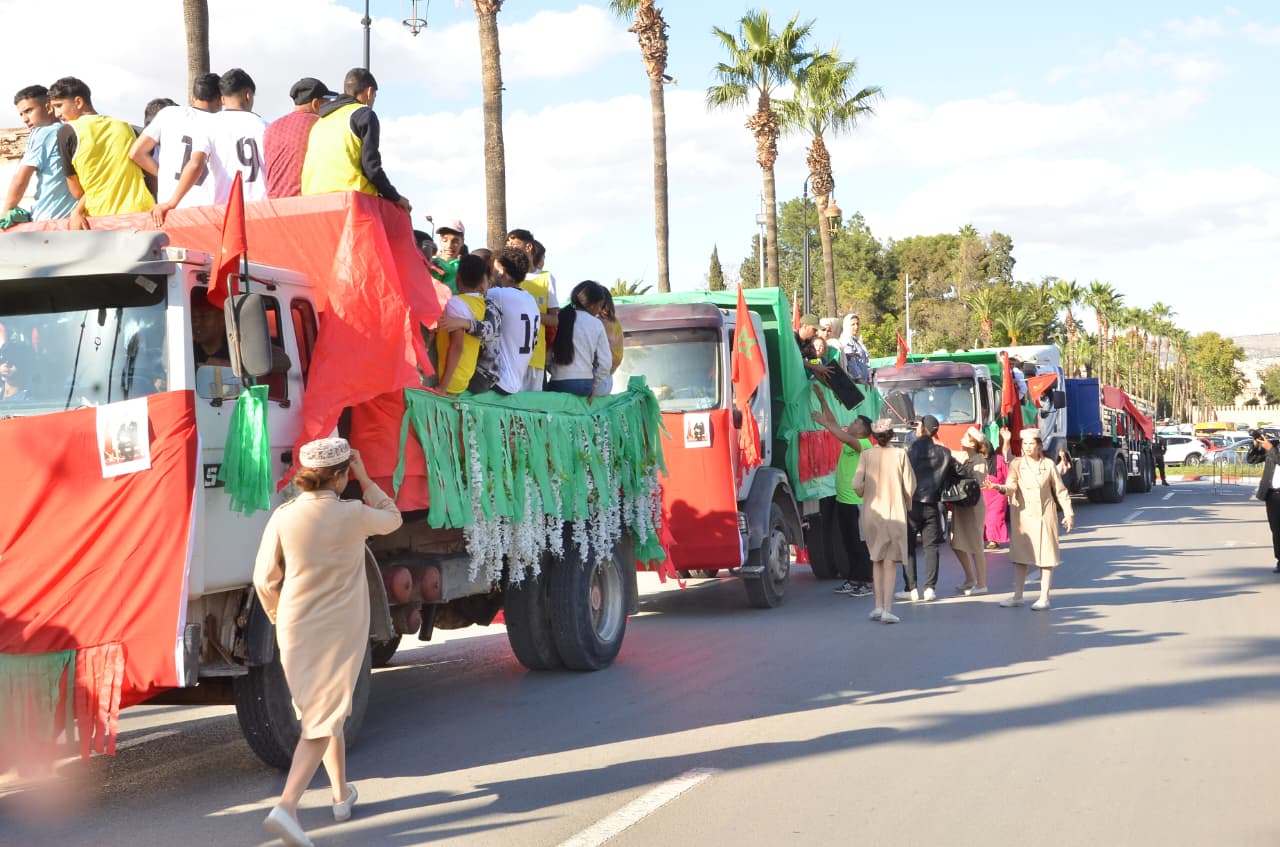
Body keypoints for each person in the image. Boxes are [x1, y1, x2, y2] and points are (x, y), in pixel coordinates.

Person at [253, 439, 402, 847]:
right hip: (340, 631)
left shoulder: (283, 516)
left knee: (320, 712)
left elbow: (264, 579)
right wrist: (367, 478)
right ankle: (286, 806)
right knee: (321, 720)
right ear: (339, 476)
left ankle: (340, 796)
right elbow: (393, 519)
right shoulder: (352, 513)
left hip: (293, 627)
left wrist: (277, 617)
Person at [984, 430, 1075, 610]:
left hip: (1045, 516)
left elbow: (1061, 491)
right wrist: (998, 487)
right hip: (1023, 517)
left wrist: (1068, 513)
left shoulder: (1048, 465)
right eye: (1024, 444)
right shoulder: (1017, 465)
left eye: (1031, 443)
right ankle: (1018, 596)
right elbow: (1011, 486)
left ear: (1039, 445)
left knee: (1046, 558)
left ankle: (1044, 597)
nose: (1027, 447)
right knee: (1020, 558)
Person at [300, 67, 410, 215]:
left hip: (315, 204)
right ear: (369, 92)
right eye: (374, 97)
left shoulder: (321, 121)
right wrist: (397, 198)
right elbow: (372, 169)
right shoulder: (363, 114)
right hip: (352, 203)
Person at [47, 76, 153, 227]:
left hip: (102, 219)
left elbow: (76, 192)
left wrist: (77, 210)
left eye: (59, 105)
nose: (57, 114)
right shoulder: (127, 128)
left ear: (78, 102)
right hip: (142, 214)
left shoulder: (68, 131)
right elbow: (149, 176)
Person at [436, 246, 541, 397]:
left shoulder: (496, 295)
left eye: (493, 269)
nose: (491, 275)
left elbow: (487, 326)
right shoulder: (530, 298)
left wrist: (463, 322)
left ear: (502, 271)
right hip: (517, 379)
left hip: (495, 378)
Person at [129, 73, 222, 222]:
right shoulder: (222, 123)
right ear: (220, 100)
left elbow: (136, 153)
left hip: (168, 212)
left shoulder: (168, 113)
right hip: (207, 213)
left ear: (193, 98)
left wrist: (164, 174)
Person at [853, 418, 916, 624]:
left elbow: (856, 484)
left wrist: (865, 493)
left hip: (872, 513)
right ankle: (888, 609)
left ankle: (878, 606)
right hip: (894, 512)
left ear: (873, 436)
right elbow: (910, 486)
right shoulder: (900, 454)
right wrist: (906, 502)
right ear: (891, 435)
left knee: (876, 558)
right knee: (890, 561)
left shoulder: (866, 455)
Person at [811, 398, 874, 597]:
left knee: (858, 543)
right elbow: (836, 426)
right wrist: (822, 399)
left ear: (863, 430)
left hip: (856, 502)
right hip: (844, 501)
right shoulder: (850, 439)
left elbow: (840, 434)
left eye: (856, 422)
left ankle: (867, 581)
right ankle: (854, 579)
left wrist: (823, 423)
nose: (852, 423)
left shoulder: (863, 444)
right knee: (848, 542)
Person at [900, 414, 960, 602]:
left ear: (923, 429)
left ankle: (911, 589)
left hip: (911, 504)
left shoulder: (909, 450)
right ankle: (929, 588)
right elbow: (960, 472)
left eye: (918, 425)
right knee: (931, 547)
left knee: (908, 547)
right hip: (933, 504)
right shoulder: (944, 453)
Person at [3, 85, 77, 224]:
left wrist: (5, 213)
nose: (25, 119)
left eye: (29, 111)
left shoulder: (42, 133)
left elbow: (21, 178)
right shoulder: (71, 131)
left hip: (48, 218)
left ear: (49, 108)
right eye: (21, 114)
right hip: (75, 219)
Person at [264, 77, 336, 199]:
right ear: (315, 104)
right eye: (326, 103)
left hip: (274, 208)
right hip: (305, 206)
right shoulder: (319, 124)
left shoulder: (271, 128)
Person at [507, 229, 559, 391]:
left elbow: (554, 319)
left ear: (528, 247)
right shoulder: (507, 277)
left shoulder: (546, 278)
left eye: (514, 245)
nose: (510, 249)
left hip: (535, 357)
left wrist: (531, 313)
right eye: (508, 245)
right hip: (510, 357)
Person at [208, 68, 269, 202]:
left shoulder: (209, 126)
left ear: (223, 99)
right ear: (248, 95)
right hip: (261, 207)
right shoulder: (266, 127)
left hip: (225, 210)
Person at [434, 255, 489, 396]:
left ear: (458, 277)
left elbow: (457, 346)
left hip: (450, 377)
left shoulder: (456, 303)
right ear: (483, 280)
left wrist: (442, 386)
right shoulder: (480, 303)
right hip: (464, 374)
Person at [547, 281, 612, 399]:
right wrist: (595, 386)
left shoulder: (559, 318)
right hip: (584, 386)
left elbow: (548, 353)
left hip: (559, 384)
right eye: (599, 306)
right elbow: (606, 363)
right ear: (591, 305)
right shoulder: (596, 324)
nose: (599, 311)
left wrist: (554, 371)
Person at [951, 426, 990, 595]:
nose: (962, 438)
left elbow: (977, 482)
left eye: (966, 436)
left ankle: (982, 584)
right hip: (961, 505)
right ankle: (969, 578)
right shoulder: (964, 456)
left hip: (973, 506)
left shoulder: (979, 459)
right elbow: (946, 452)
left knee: (976, 546)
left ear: (973, 443)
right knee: (956, 543)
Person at [1246, 431, 1280, 573]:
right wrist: (1255, 445)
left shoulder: (1272, 448)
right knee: (1276, 529)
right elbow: (1252, 459)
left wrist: (1270, 449)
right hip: (1272, 494)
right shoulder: (1273, 446)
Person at [983, 426, 1012, 549]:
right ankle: (987, 538)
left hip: (998, 495)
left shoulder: (999, 460)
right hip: (983, 495)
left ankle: (993, 540)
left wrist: (1008, 492)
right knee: (984, 518)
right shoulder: (977, 461)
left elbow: (1007, 476)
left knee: (994, 517)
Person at [839, 313, 870, 383]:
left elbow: (864, 362)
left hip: (863, 381)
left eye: (857, 324)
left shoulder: (855, 341)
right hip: (856, 382)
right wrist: (858, 379)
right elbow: (851, 363)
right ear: (846, 325)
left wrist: (868, 379)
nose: (856, 327)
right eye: (853, 324)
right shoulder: (846, 340)